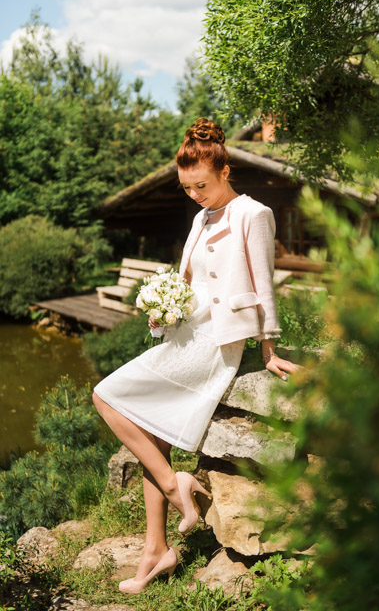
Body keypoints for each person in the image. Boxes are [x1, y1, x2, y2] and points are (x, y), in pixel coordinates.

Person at [92, 118, 301, 593]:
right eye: (187, 188)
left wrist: (268, 346)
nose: (194, 194)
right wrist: (163, 310)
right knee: (150, 432)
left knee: (105, 395)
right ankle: (155, 550)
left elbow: (264, 283)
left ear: (225, 170)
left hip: (215, 342)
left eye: (201, 185)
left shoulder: (254, 214)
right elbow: (188, 281)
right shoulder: (199, 218)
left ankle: (175, 486)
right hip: (183, 334)